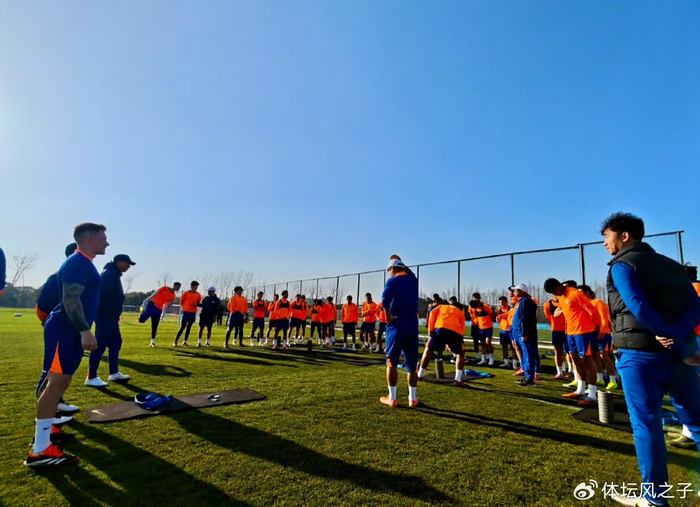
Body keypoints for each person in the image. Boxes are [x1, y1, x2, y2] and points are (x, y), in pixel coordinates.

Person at [25, 223, 106, 467]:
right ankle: (40, 451)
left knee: (57, 383)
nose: (106, 242)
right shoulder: (78, 262)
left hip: (67, 331)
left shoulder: (83, 263)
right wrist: (85, 331)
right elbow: (71, 300)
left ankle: (47, 431)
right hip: (65, 331)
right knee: (55, 384)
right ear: (89, 239)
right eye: (103, 238)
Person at [34, 242, 80, 415]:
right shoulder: (61, 275)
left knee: (61, 369)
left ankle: (56, 403)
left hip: (68, 327)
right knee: (51, 369)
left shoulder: (74, 273)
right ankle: (47, 413)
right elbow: (44, 303)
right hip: (60, 327)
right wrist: (48, 319)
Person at [544, 277, 600, 406]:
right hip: (570, 332)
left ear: (558, 286)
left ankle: (592, 395)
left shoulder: (575, 294)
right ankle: (580, 390)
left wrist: (597, 329)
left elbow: (592, 311)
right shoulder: (561, 297)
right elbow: (558, 312)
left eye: (554, 291)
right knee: (575, 360)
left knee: (587, 360)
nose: (555, 294)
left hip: (584, 331)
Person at [85, 254, 135, 387]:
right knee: (100, 345)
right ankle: (91, 377)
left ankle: (114, 372)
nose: (129, 266)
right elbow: (101, 294)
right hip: (105, 316)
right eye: (128, 263)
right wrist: (104, 312)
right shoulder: (109, 274)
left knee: (116, 342)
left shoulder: (113, 274)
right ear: (119, 262)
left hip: (111, 316)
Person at [380, 256, 420, 408]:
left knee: (391, 362)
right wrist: (401, 262)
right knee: (412, 364)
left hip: (396, 326)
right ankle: (413, 399)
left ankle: (392, 398)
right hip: (412, 326)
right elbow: (411, 273)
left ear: (393, 269)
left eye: (390, 270)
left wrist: (388, 318)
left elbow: (385, 301)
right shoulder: (413, 281)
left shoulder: (392, 281)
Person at [579, 285, 620, 390]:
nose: (580, 295)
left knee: (604, 355)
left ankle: (613, 380)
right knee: (594, 356)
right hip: (591, 333)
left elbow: (603, 317)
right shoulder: (584, 304)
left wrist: (602, 331)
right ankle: (600, 378)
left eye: (582, 293)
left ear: (587, 293)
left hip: (602, 333)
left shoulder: (597, 302)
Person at [418, 298, 466, 386]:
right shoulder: (460, 312)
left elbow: (432, 314)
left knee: (428, 349)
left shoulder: (442, 307)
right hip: (455, 332)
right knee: (460, 353)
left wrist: (430, 330)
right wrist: (452, 344)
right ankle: (458, 380)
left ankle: (419, 375)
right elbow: (462, 329)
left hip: (440, 328)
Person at [510, 284, 539, 387]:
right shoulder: (521, 302)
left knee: (528, 354)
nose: (514, 292)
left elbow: (526, 318)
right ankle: (527, 376)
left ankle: (530, 379)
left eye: (516, 290)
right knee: (524, 354)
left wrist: (524, 333)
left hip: (524, 333)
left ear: (522, 292)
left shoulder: (526, 302)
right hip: (519, 332)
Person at [140, 282, 181, 347]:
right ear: (174, 286)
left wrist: (163, 314)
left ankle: (152, 342)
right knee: (141, 320)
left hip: (159, 309)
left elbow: (166, 305)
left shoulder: (173, 296)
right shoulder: (164, 288)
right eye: (178, 287)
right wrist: (146, 300)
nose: (179, 288)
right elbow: (154, 294)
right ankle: (142, 309)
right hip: (152, 305)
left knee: (155, 326)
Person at [543, 296, 568, 379]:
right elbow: (548, 316)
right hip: (556, 330)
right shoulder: (547, 304)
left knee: (569, 352)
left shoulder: (565, 301)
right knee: (558, 350)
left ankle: (569, 370)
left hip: (568, 329)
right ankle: (559, 372)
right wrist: (553, 324)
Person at [174, 281, 201, 347]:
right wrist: (185, 307)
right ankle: (175, 341)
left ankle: (185, 341)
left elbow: (198, 303)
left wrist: (197, 304)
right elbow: (182, 302)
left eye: (197, 286)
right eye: (195, 286)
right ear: (192, 286)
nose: (196, 287)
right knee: (182, 327)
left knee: (189, 327)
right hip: (186, 312)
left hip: (193, 312)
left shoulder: (198, 294)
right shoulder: (186, 293)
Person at [470, 293, 495, 365]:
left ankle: (491, 358)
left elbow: (491, 314)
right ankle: (483, 359)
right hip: (480, 328)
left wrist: (488, 321)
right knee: (482, 343)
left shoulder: (485, 306)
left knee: (488, 342)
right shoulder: (474, 308)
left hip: (488, 327)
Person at [495, 296, 513, 368]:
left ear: (506, 302)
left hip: (510, 330)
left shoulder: (510, 309)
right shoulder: (499, 309)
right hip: (502, 330)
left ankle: (515, 363)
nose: (501, 304)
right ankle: (506, 362)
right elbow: (498, 319)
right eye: (500, 302)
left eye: (503, 302)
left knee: (513, 347)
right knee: (504, 346)